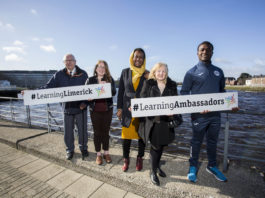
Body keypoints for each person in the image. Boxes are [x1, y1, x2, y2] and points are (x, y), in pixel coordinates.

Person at [180, 41, 228, 182]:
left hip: (215, 116)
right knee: (196, 142)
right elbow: (184, 93)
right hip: (198, 116)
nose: (205, 52)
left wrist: (231, 104)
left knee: (213, 142)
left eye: (208, 50)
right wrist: (196, 107)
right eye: (202, 50)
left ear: (212, 52)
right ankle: (193, 167)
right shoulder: (191, 72)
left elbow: (222, 92)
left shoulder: (219, 71)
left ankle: (212, 165)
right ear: (197, 52)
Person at [139, 62, 179, 186]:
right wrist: (135, 108)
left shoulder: (172, 85)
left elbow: (176, 102)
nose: (161, 73)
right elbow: (142, 100)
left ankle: (155, 167)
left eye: (163, 71)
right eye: (158, 71)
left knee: (161, 146)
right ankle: (152, 171)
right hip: (153, 122)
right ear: (154, 72)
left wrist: (172, 113)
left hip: (165, 122)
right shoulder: (148, 83)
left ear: (166, 72)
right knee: (155, 147)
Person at [42, 54, 89, 160]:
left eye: (71, 60)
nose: (69, 62)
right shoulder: (58, 75)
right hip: (67, 108)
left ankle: (83, 148)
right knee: (68, 132)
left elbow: (89, 91)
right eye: (66, 60)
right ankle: (69, 150)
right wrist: (31, 93)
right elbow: (48, 87)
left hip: (81, 109)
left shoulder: (83, 74)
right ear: (64, 63)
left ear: (75, 61)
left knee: (82, 131)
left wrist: (85, 103)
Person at [117, 48, 148, 172]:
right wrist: (119, 108)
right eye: (136, 56)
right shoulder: (125, 72)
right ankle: (126, 159)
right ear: (132, 57)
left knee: (141, 136)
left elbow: (152, 92)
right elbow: (120, 92)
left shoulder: (147, 73)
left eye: (141, 57)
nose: (138, 59)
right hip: (127, 110)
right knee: (126, 137)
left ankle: (139, 157)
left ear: (144, 59)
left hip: (142, 110)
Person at [86, 60, 116, 165]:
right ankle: (98, 154)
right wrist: (87, 98)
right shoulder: (89, 80)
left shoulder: (109, 79)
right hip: (95, 110)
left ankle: (106, 153)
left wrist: (107, 86)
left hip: (107, 109)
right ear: (96, 68)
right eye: (100, 66)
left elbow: (114, 92)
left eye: (104, 67)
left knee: (106, 132)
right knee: (97, 132)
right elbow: (85, 94)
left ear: (106, 69)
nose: (101, 69)